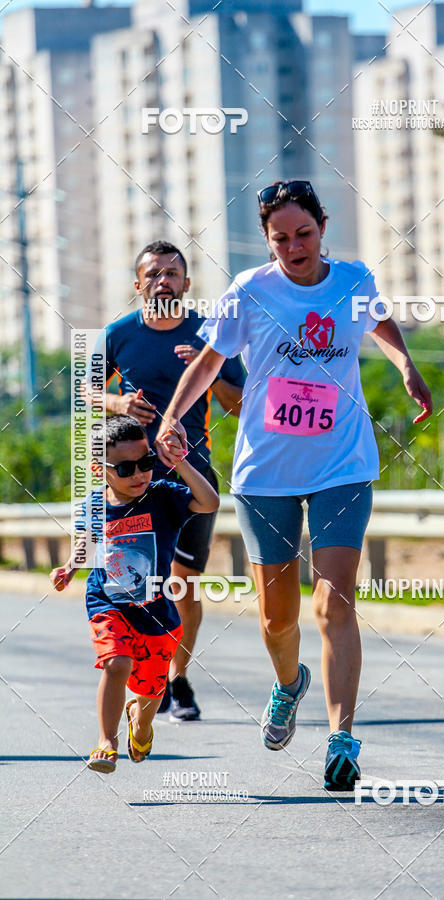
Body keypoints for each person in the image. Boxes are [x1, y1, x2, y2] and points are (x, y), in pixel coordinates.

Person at [155, 179, 432, 790]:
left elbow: (379, 322)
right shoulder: (249, 291)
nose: (293, 246)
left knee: (334, 602)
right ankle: (287, 684)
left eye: (303, 233)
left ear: (323, 226)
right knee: (278, 619)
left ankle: (342, 738)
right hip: (267, 472)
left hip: (342, 465)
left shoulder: (354, 279)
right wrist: (173, 416)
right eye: (280, 238)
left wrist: (406, 363)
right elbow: (208, 360)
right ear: (267, 239)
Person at [95, 240, 245, 721]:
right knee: (132, 583)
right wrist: (117, 404)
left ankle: (176, 678)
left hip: (190, 474)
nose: (164, 280)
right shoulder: (118, 334)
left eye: (173, 273)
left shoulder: (211, 333)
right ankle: (144, 674)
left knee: (184, 585)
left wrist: (206, 368)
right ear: (138, 285)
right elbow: (87, 389)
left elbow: (237, 405)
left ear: (186, 283)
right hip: (130, 481)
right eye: (154, 273)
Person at [50, 415, 219, 773]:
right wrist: (70, 566)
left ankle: (140, 723)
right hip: (107, 602)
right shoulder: (93, 505)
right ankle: (106, 742)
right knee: (117, 663)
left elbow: (209, 503)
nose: (140, 474)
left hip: (157, 612)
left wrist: (180, 462)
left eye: (146, 463)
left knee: (151, 692)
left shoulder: (162, 496)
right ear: (100, 470)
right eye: (127, 468)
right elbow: (87, 540)